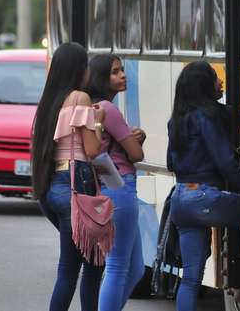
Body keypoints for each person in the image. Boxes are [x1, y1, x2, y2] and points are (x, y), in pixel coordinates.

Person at [167, 61, 240, 311]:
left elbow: (171, 162)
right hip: (204, 198)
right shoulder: (205, 118)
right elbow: (225, 162)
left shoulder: (177, 120)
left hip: (180, 199)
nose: (220, 81)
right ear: (204, 85)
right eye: (215, 77)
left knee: (190, 279)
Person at [31, 42, 105, 311]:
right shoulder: (80, 98)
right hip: (78, 184)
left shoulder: (49, 102)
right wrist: (99, 122)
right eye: (85, 65)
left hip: (53, 187)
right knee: (91, 265)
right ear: (79, 69)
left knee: (71, 268)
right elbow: (93, 149)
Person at [87, 54, 147, 311]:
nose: (122, 75)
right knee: (118, 266)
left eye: (122, 70)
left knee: (135, 269)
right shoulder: (108, 109)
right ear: (102, 77)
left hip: (108, 185)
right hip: (120, 187)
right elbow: (136, 155)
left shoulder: (92, 107)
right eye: (114, 72)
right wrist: (137, 140)